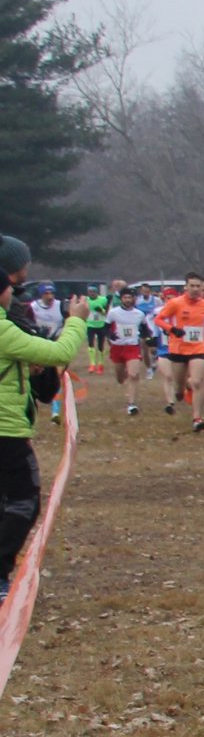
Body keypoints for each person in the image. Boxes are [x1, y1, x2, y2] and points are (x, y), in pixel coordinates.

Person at [0, 236, 84, 604]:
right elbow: (59, 352)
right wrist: (76, 322)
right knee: (24, 501)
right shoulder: (4, 328)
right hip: (5, 429)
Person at [152, 273, 204, 431]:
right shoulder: (175, 303)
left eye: (198, 286)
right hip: (178, 348)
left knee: (198, 382)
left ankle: (197, 419)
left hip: (198, 347)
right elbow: (158, 319)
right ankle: (180, 392)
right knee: (179, 386)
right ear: (186, 287)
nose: (195, 289)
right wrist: (172, 329)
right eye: (192, 286)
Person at [105, 287, 148, 414]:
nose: (128, 300)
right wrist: (110, 335)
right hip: (117, 347)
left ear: (133, 299)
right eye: (125, 298)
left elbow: (145, 330)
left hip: (132, 347)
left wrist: (149, 339)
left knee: (134, 375)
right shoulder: (113, 312)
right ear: (121, 299)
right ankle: (122, 374)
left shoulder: (139, 314)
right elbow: (105, 328)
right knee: (120, 378)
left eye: (130, 298)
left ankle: (132, 404)